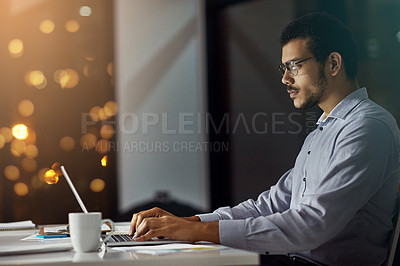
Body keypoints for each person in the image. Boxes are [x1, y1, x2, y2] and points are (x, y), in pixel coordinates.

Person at [129, 12, 400, 266]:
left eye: (294, 66)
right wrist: (189, 221)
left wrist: (198, 230)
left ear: (333, 63)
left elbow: (312, 224)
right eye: (283, 67)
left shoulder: (367, 127)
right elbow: (270, 205)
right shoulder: (323, 130)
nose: (285, 78)